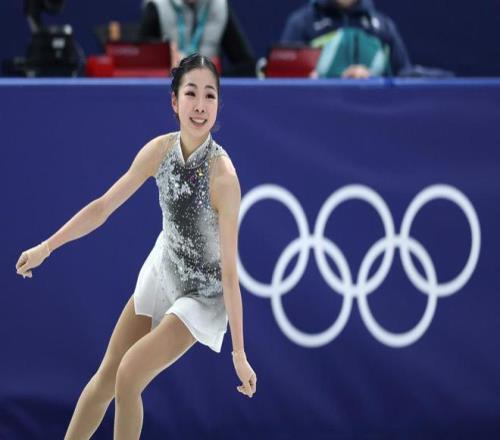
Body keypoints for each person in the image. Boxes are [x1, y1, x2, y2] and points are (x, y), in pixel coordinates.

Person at [15, 53, 257, 439]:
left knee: (129, 375)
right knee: (107, 378)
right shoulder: (158, 152)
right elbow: (102, 207)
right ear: (174, 101)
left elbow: (230, 273)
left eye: (209, 95)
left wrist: (239, 354)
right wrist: (47, 247)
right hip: (165, 270)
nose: (200, 105)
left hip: (203, 296)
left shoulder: (224, 178)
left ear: (218, 104)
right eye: (191, 93)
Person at [280, 0, 411, 78]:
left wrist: (371, 81)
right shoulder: (301, 23)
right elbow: (284, 79)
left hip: (373, 110)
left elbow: (403, 75)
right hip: (318, 109)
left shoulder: (383, 26)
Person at [138, 0, 256, 76]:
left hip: (207, 89)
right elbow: (139, 64)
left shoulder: (219, 7)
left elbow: (247, 65)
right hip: (168, 89)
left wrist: (213, 76)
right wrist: (165, 63)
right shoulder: (157, 6)